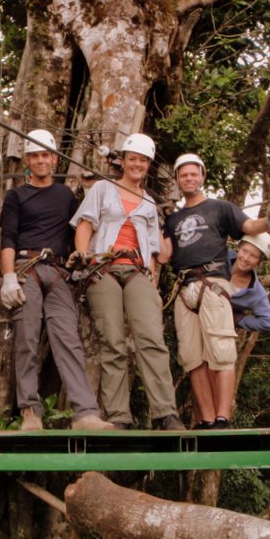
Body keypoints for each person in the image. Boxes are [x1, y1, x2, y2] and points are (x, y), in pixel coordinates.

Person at [162, 153, 270, 430]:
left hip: (212, 283)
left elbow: (251, 227)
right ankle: (206, 418)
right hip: (184, 289)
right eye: (184, 175)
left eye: (194, 174)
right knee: (192, 358)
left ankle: (222, 418)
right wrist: (155, 219)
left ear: (202, 177)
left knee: (221, 351)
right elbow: (163, 256)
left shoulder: (220, 208)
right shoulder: (173, 220)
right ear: (177, 180)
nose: (189, 179)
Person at [0, 129, 113, 432]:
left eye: (44, 155)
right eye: (34, 155)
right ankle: (29, 412)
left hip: (60, 272)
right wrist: (8, 276)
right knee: (26, 339)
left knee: (68, 341)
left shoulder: (65, 196)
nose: (40, 160)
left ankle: (86, 413)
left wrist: (93, 190)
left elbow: (80, 230)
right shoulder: (16, 195)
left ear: (53, 159)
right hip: (27, 267)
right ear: (27, 160)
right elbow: (7, 239)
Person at [70, 133, 185, 431]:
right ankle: (119, 415)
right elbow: (85, 226)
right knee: (113, 342)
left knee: (151, 339)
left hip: (137, 271)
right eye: (132, 158)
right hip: (103, 268)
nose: (137, 164)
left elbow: (155, 253)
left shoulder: (148, 202)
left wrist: (154, 286)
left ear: (148, 165)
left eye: (143, 160)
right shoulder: (102, 190)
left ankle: (165, 413)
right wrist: (83, 255)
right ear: (122, 161)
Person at [228, 233, 270, 334]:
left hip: (215, 325)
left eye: (253, 256)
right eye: (244, 251)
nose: (246, 258)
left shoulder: (256, 293)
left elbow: (269, 324)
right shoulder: (221, 257)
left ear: (259, 262)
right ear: (239, 248)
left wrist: (237, 318)